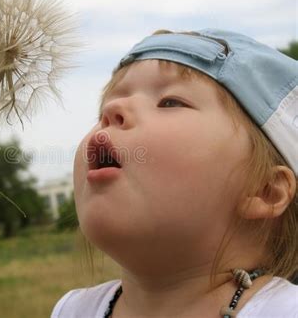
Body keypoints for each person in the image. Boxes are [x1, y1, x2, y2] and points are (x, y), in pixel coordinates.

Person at [51, 29, 297, 318]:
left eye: (169, 102)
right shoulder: (73, 310)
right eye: (102, 111)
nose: (112, 110)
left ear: (265, 190)